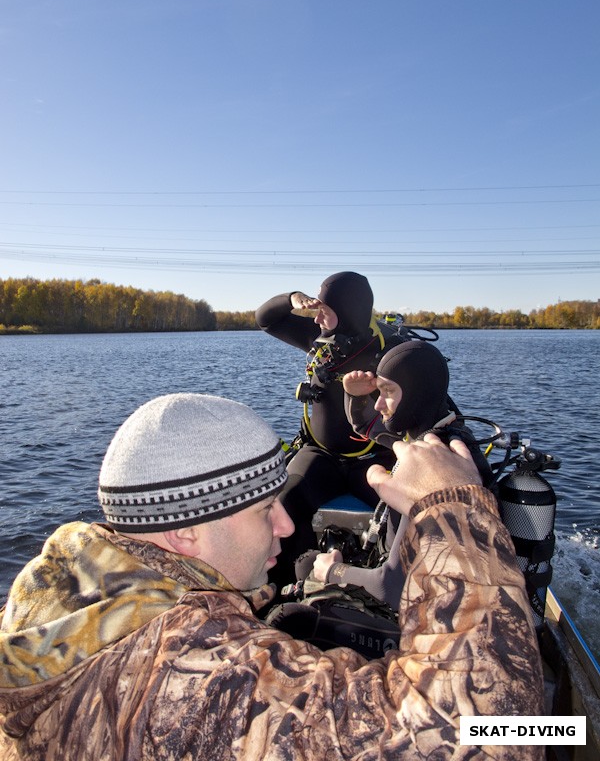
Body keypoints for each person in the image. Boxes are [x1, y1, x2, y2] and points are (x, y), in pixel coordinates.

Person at [0, 393, 544, 760]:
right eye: (265, 509)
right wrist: (455, 515)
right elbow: (489, 735)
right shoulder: (199, 678)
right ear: (187, 533)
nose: (288, 524)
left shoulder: (47, 597)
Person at [309, 340, 495, 610]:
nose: (379, 403)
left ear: (415, 394)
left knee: (304, 579)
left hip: (426, 612)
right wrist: (355, 395)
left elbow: (391, 589)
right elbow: (368, 425)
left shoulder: (432, 470)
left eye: (388, 392)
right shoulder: (439, 435)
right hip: (430, 589)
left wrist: (333, 571)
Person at [255, 271, 396, 588]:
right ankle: (284, 588)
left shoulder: (389, 350)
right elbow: (265, 318)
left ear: (347, 312)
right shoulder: (318, 339)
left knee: (398, 515)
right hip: (320, 454)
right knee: (286, 503)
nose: (317, 317)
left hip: (373, 459)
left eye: (325, 311)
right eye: (317, 309)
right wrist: (292, 298)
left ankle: (379, 590)